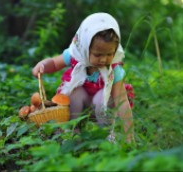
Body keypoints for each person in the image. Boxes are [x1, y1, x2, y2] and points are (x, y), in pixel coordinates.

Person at [32, 12, 134, 143]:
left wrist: (129, 136)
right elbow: (54, 63)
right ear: (85, 47)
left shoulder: (114, 69)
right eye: (97, 54)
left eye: (109, 54)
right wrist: (43, 65)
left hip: (101, 107)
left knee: (103, 97)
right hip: (80, 105)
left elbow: (122, 102)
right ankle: (73, 129)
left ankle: (104, 134)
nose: (103, 59)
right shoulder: (76, 55)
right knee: (74, 92)